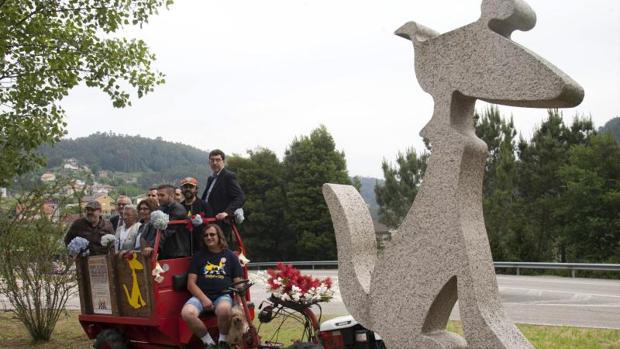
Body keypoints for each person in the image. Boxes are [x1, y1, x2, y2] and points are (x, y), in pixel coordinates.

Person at [181, 224, 242, 349]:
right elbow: (191, 284)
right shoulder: (198, 256)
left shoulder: (231, 257)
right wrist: (203, 299)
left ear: (219, 236)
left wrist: (239, 302)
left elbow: (238, 283)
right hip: (201, 296)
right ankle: (209, 343)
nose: (209, 237)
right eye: (206, 235)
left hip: (223, 296)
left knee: (225, 310)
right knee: (187, 313)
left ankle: (223, 342)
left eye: (212, 234)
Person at [200, 149, 245, 224]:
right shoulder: (211, 178)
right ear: (209, 162)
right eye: (212, 160)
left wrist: (226, 212)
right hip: (208, 220)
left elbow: (240, 197)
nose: (214, 163)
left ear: (223, 161)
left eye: (218, 160)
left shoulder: (228, 176)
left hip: (220, 222)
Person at [157, 184, 190, 258]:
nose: (159, 198)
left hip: (177, 252)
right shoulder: (161, 208)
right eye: (158, 195)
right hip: (166, 251)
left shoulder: (178, 209)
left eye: (162, 195)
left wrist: (155, 247)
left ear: (171, 195)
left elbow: (168, 229)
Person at [180, 177, 209, 251]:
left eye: (191, 187)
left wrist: (202, 223)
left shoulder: (204, 205)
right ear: (181, 189)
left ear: (196, 189)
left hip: (202, 247)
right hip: (184, 247)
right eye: (185, 187)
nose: (188, 189)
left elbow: (211, 225)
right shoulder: (179, 207)